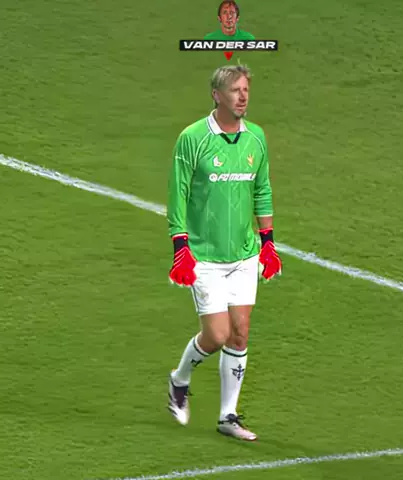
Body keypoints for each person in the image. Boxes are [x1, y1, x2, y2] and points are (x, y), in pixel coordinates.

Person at [166, 64, 282, 441]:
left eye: (246, 89)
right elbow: (178, 194)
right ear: (217, 96)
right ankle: (179, 379)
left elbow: (262, 189)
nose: (242, 96)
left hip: (244, 254)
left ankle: (227, 417)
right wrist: (180, 247)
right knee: (216, 335)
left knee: (240, 333)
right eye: (235, 90)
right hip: (204, 256)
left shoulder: (256, 138)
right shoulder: (193, 138)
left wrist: (268, 242)